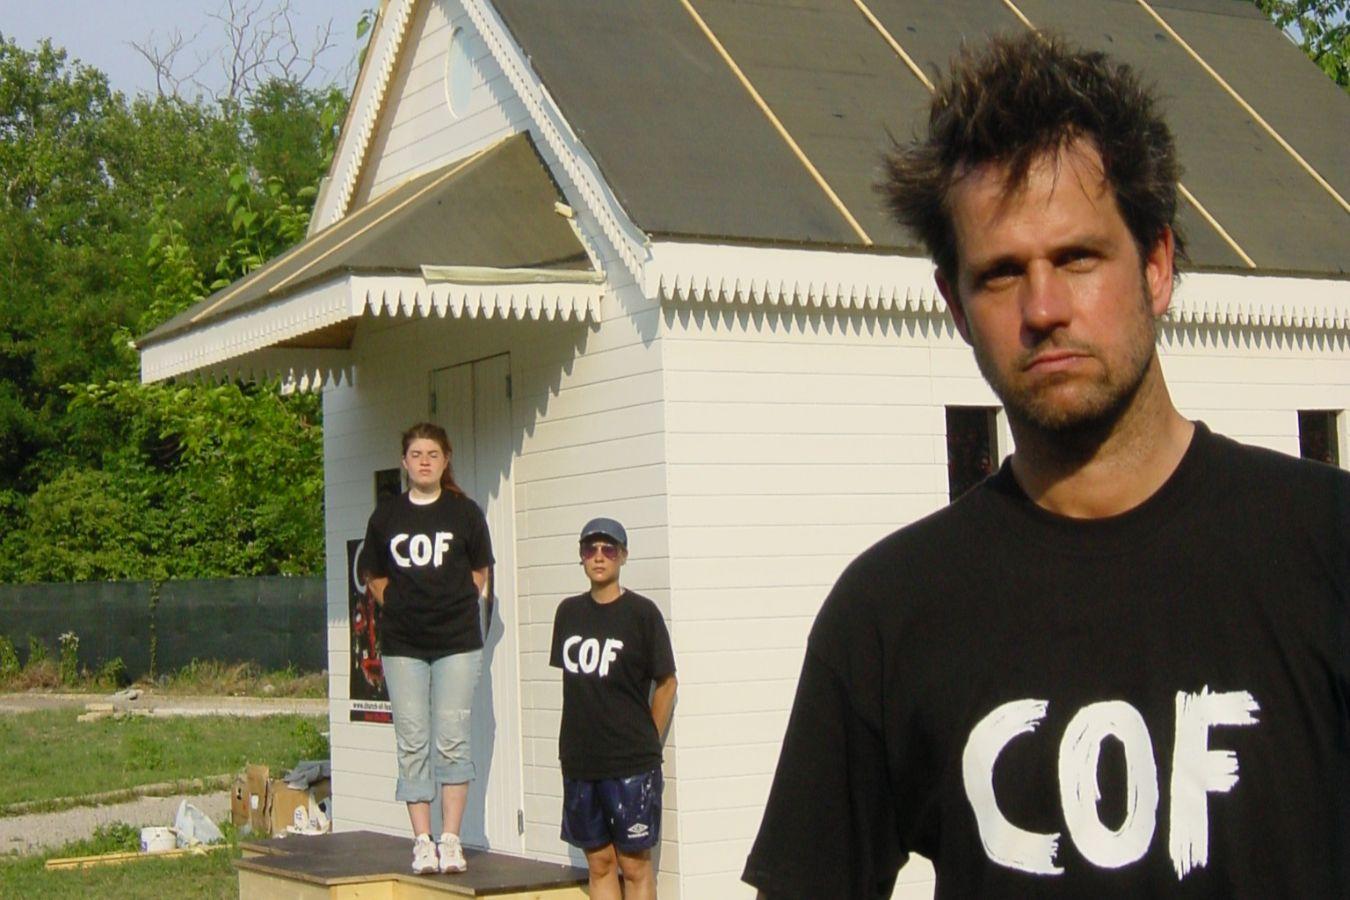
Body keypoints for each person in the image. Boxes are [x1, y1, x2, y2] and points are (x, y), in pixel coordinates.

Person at [743, 32, 1349, 898]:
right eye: (999, 274)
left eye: (1077, 257)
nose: (1043, 309)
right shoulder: (888, 614)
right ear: (954, 305)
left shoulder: (1325, 551)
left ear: (1158, 263)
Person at [360, 422, 493, 875]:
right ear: (404, 462)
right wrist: (395, 602)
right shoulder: (387, 516)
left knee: (453, 739)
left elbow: (480, 571)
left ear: (445, 459)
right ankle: (422, 840)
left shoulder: (465, 513)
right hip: (403, 646)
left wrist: (454, 604)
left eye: (432, 454)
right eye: (416, 454)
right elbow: (372, 573)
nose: (424, 462)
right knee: (412, 739)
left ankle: (451, 839)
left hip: (456, 642)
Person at [550, 518, 678, 900]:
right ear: (581, 557)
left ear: (623, 556)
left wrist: (647, 740)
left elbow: (667, 682)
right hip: (580, 760)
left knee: (635, 864)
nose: (600, 557)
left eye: (609, 549)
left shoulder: (642, 613)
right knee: (600, 863)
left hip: (631, 765)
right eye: (591, 549)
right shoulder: (568, 613)